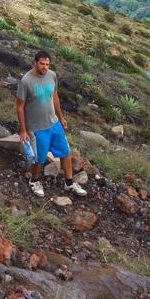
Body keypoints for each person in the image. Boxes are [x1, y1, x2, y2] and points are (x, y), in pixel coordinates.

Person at [16, 49, 87, 199]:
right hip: (37, 127)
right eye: (42, 64)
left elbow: (55, 98)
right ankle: (34, 181)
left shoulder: (52, 76)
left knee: (65, 152)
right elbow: (20, 107)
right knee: (39, 158)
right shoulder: (26, 81)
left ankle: (69, 182)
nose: (45, 67)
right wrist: (23, 130)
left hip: (54, 123)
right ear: (35, 63)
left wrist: (61, 117)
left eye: (47, 64)